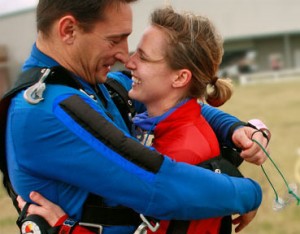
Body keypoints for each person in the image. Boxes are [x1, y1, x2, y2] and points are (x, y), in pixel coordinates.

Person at [2, 1, 268, 234]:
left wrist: (233, 128)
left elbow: (175, 99)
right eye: (114, 39)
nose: (124, 55)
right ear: (69, 30)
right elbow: (161, 187)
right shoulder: (47, 110)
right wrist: (248, 193)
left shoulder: (90, 86)